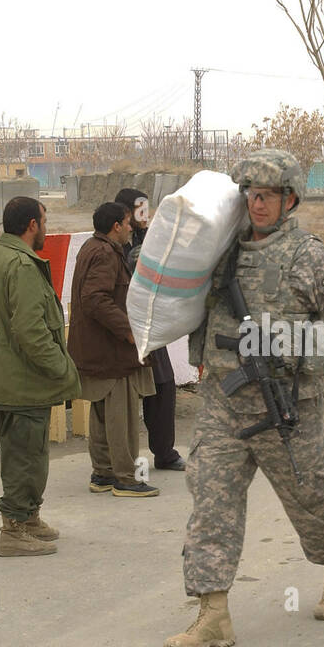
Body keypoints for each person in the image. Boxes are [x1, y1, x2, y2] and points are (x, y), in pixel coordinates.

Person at [163, 148, 324, 647]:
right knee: (211, 505)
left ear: (289, 200)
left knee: (311, 502)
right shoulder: (219, 251)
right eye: (250, 194)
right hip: (223, 403)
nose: (256, 204)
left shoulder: (308, 258)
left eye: (266, 195)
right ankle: (213, 614)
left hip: (286, 409)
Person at [0, 196, 80, 556]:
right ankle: (13, 530)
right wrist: (59, 367)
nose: (47, 228)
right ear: (32, 224)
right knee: (26, 457)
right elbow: (32, 331)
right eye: (45, 221)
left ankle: (28, 518)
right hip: (24, 385)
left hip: (4, 380)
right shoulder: (23, 265)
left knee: (22, 453)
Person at [68, 202, 159, 498]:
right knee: (122, 417)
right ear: (115, 226)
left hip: (99, 351)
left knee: (103, 414)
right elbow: (95, 299)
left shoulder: (91, 247)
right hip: (111, 352)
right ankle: (126, 478)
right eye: (127, 223)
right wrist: (129, 331)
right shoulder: (105, 253)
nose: (131, 227)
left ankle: (103, 473)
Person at [114, 187, 185, 472]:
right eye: (141, 209)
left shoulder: (148, 237)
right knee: (124, 395)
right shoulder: (115, 241)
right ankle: (119, 458)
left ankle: (164, 452)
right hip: (123, 327)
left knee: (164, 385)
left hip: (149, 325)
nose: (147, 215)